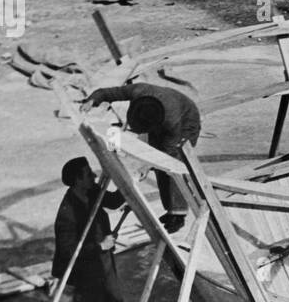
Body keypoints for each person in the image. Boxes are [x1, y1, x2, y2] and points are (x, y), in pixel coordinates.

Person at [83, 82, 202, 234]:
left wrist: (145, 165)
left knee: (170, 166)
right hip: (163, 115)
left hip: (185, 123)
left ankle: (178, 215)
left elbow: (166, 155)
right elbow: (110, 92)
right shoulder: (137, 90)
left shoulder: (172, 121)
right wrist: (92, 100)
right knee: (157, 162)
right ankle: (171, 210)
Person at [51, 157, 126, 302]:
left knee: (115, 301)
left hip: (103, 259)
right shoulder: (67, 211)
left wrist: (126, 183)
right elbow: (67, 250)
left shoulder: (91, 190)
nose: (94, 177)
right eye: (88, 174)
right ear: (77, 180)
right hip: (84, 266)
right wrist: (100, 245)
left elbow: (112, 201)